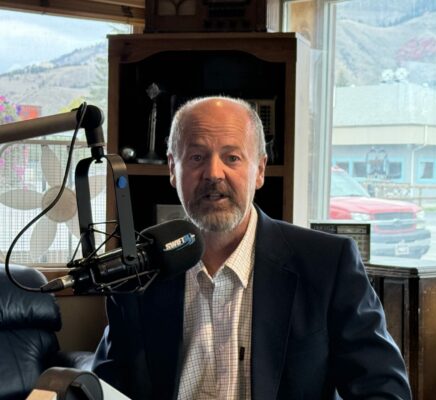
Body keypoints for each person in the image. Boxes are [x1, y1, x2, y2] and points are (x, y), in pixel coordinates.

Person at [92, 96, 412, 400]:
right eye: (197, 157)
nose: (214, 173)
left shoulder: (327, 265)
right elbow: (107, 388)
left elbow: (384, 390)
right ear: (172, 169)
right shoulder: (140, 270)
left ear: (259, 170)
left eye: (232, 157)